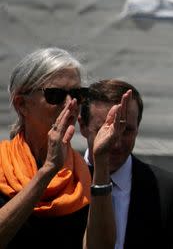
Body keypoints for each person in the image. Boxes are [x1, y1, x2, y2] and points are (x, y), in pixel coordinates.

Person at [0, 47, 128, 248]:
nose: (71, 104)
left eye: (78, 94)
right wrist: (48, 170)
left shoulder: (82, 175)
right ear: (22, 104)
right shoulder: (2, 165)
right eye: (55, 95)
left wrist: (101, 161)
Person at [79, 79, 173, 249]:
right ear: (83, 126)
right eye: (104, 131)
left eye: (126, 130)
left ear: (138, 127)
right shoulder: (62, 181)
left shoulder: (170, 192)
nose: (116, 143)